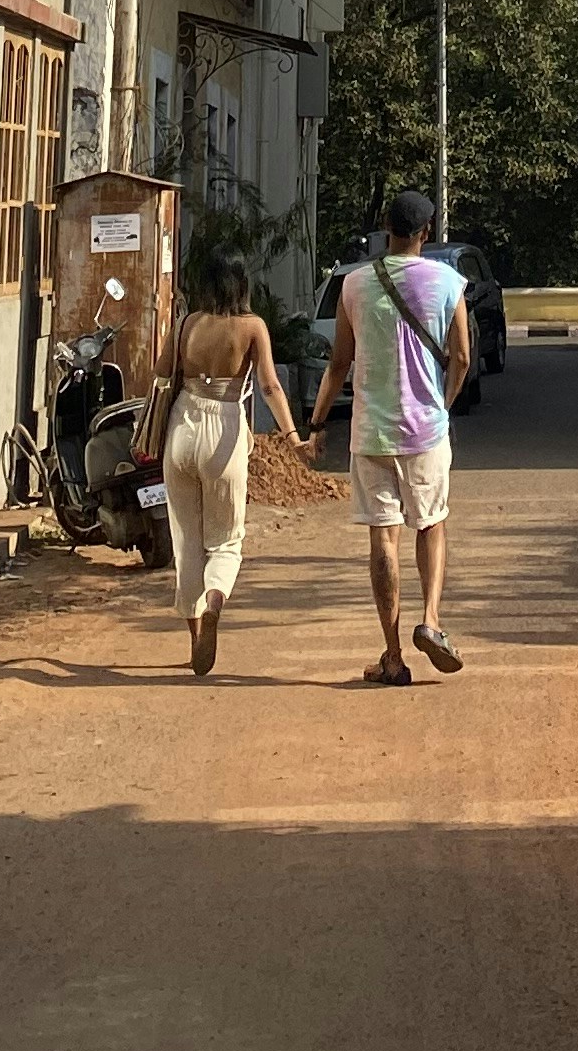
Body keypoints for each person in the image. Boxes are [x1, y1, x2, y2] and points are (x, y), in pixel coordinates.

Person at [311, 186, 472, 685]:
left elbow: (339, 364)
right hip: (425, 429)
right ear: (426, 233)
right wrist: (440, 406)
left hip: (370, 431)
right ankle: (432, 620)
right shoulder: (449, 281)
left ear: (386, 228)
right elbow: (462, 358)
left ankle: (393, 655)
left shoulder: (354, 285)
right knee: (431, 523)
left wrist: (317, 424)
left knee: (383, 539)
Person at [158, 247, 302, 676]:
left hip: (182, 426)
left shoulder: (186, 323)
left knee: (186, 542)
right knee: (225, 540)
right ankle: (216, 599)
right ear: (242, 283)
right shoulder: (252, 326)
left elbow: (159, 372)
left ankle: (195, 636)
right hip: (224, 430)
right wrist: (292, 437)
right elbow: (270, 386)